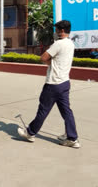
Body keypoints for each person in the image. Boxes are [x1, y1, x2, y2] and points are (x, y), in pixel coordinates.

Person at [17, 20, 80, 149]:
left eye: (57, 30)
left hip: (53, 83)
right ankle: (72, 138)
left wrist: (51, 63)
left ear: (62, 31)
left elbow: (43, 57)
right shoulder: (71, 44)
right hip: (64, 83)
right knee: (66, 111)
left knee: (43, 110)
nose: (55, 32)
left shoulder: (58, 44)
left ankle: (30, 133)